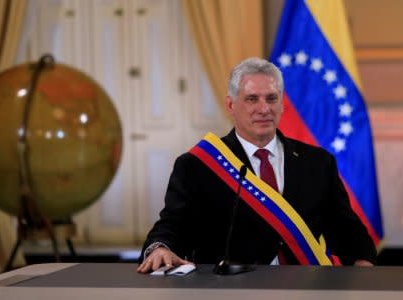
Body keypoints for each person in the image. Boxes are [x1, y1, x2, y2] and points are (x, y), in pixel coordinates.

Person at [137, 57, 376, 273]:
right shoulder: (197, 166)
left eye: (271, 98)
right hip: (229, 290)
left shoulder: (318, 162)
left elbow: (346, 229)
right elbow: (173, 225)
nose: (264, 109)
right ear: (230, 105)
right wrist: (159, 248)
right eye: (252, 99)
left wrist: (363, 261)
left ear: (282, 105)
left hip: (305, 287)